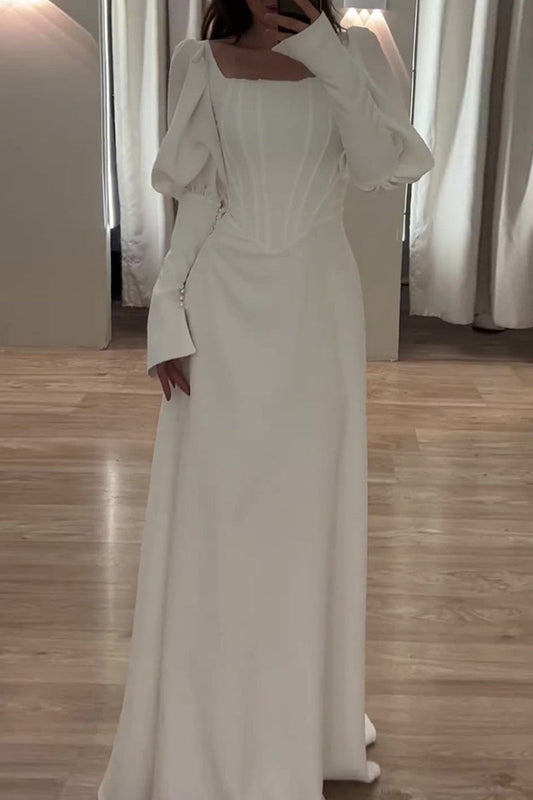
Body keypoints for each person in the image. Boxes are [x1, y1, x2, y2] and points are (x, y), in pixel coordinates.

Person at [98, 1, 434, 799]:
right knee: (218, 509)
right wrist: (166, 312)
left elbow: (374, 164)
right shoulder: (199, 60)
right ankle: (204, 720)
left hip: (315, 306)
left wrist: (326, 53)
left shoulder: (354, 53)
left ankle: (299, 715)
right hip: (223, 301)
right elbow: (199, 197)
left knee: (301, 509)